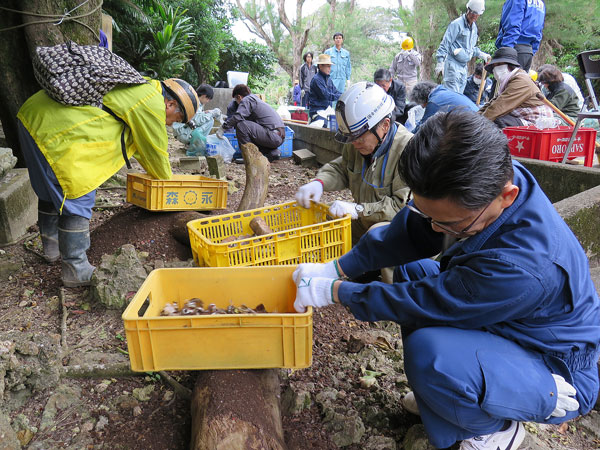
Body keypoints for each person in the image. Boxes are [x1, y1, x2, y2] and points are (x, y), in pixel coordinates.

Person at [291, 108, 599, 450]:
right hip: (510, 322)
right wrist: (337, 268)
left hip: (553, 363)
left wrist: (337, 292)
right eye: (430, 215)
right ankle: (443, 397)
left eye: (452, 224)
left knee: (430, 354)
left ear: (506, 196)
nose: (436, 229)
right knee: (413, 270)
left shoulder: (523, 266)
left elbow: (427, 301)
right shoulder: (484, 176)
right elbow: (414, 230)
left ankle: (494, 429)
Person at [17, 77, 200, 287]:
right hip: (55, 130)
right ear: (171, 104)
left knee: (50, 189)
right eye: (176, 119)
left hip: (34, 117)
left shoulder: (141, 88)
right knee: (77, 190)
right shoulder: (151, 102)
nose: (171, 124)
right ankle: (75, 268)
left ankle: (52, 248)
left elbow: (142, 146)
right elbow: (156, 154)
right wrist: (171, 181)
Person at [295, 82, 412, 249]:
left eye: (359, 137)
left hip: (397, 232)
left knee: (378, 233)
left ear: (385, 125)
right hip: (365, 221)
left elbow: (402, 208)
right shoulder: (357, 143)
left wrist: (358, 209)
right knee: (328, 223)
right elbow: (342, 168)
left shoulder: (407, 151)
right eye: (350, 138)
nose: (354, 143)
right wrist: (319, 183)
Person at [479, 47, 553, 128]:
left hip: (538, 122)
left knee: (496, 120)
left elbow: (498, 107)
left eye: (499, 65)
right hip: (522, 118)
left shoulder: (521, 81)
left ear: (510, 65)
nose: (495, 69)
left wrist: (475, 125)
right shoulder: (509, 81)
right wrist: (474, 118)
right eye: (494, 66)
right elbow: (493, 102)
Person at [216, 84, 285, 162]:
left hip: (272, 135)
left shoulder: (247, 100)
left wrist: (223, 127)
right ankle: (273, 153)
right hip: (279, 136)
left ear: (239, 97)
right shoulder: (255, 99)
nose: (237, 103)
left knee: (241, 125)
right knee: (250, 133)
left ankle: (248, 157)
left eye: (236, 100)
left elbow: (239, 116)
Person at [435, 0, 491, 94]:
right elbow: (445, 44)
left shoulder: (474, 28)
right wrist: (440, 62)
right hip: (452, 65)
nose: (474, 16)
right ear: (468, 9)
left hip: (463, 67)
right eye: (472, 13)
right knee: (452, 98)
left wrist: (481, 54)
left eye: (477, 14)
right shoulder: (456, 24)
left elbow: (470, 48)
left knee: (459, 97)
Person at [496, 0, 546, 73]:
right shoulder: (540, 3)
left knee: (504, 83)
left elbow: (513, 24)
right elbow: (539, 31)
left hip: (514, 49)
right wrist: (532, 51)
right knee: (519, 82)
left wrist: (507, 51)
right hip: (528, 52)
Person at [409, 81, 478, 132]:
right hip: (478, 120)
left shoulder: (434, 102)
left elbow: (422, 129)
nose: (423, 107)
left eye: (421, 104)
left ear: (422, 99)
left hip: (472, 129)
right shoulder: (442, 91)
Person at [172, 84, 222, 152]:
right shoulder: (195, 103)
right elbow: (197, 120)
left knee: (207, 117)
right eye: (208, 99)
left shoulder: (191, 99)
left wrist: (206, 113)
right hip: (182, 133)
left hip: (180, 131)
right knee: (210, 120)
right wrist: (212, 113)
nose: (207, 101)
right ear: (204, 96)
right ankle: (196, 144)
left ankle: (192, 143)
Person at [308, 54, 342, 121]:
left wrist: (343, 95)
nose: (330, 69)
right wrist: (340, 96)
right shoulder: (316, 80)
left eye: (330, 66)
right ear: (320, 66)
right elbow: (326, 95)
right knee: (325, 124)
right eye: (328, 66)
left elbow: (335, 91)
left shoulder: (329, 80)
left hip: (327, 111)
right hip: (317, 112)